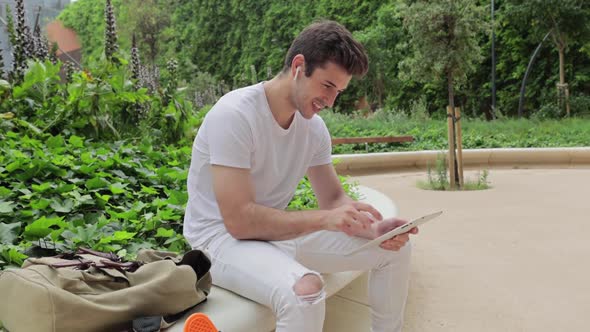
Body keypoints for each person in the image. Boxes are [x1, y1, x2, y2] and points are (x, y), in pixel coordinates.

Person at [183, 20, 418, 332]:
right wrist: (325, 220)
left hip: (273, 231)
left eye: (339, 91)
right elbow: (239, 221)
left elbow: (333, 198)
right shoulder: (235, 115)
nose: (331, 101)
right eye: (327, 86)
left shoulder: (313, 128)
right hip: (220, 239)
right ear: (298, 66)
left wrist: (375, 228)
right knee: (305, 292)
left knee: (394, 250)